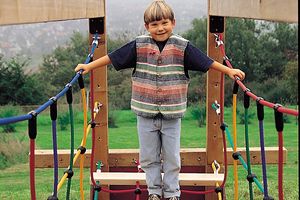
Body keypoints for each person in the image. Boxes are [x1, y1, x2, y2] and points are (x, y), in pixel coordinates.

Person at [75, 1, 245, 199]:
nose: (160, 28)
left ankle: (172, 193)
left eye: (164, 23)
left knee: (172, 158)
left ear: (173, 22)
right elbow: (113, 57)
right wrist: (89, 66)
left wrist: (229, 71)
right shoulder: (139, 45)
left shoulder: (182, 47)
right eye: (154, 24)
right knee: (148, 157)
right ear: (147, 26)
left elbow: (208, 62)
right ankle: (155, 192)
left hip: (172, 115)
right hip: (145, 113)